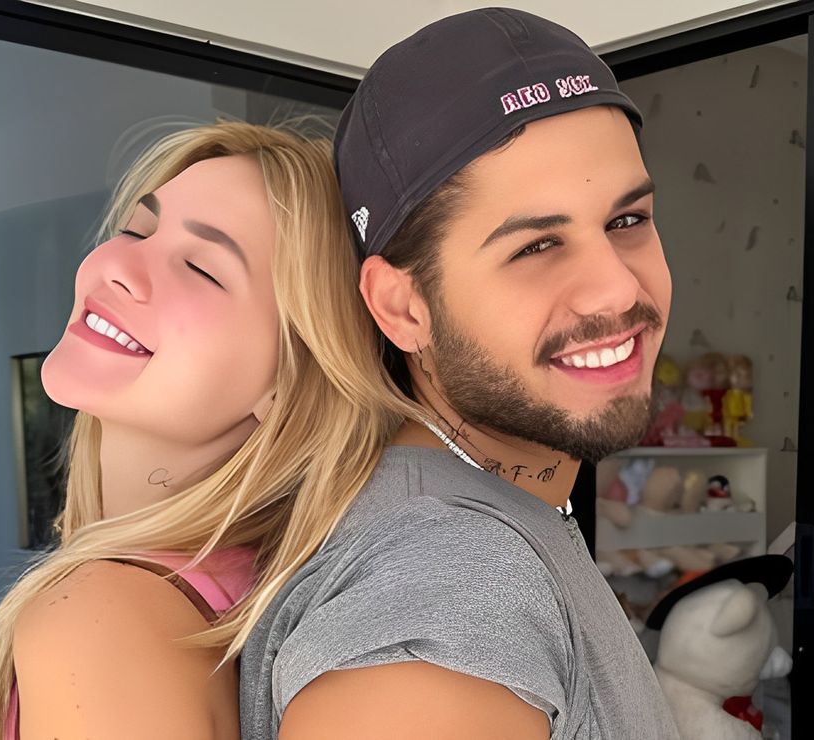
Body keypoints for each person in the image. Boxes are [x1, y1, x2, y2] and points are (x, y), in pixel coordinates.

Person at [240, 10, 679, 739]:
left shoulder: (501, 510)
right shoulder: (445, 580)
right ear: (403, 306)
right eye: (536, 245)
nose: (618, 290)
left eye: (627, 220)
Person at [0, 121, 410, 738]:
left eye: (201, 267)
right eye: (137, 230)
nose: (119, 265)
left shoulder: (99, 620)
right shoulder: (215, 595)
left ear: (291, 384)